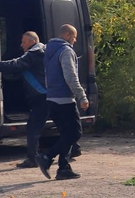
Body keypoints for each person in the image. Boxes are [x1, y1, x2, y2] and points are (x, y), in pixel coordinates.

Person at [0, 31, 47, 169]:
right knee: (61, 123)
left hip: (41, 96)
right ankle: (73, 149)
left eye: (24, 42)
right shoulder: (42, 51)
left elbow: (14, 65)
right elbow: (23, 72)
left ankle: (32, 159)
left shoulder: (33, 54)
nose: (21, 45)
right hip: (47, 94)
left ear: (32, 42)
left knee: (33, 128)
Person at [35, 25, 89, 181]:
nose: (75, 40)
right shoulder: (66, 51)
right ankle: (47, 157)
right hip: (65, 100)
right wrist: (82, 96)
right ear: (67, 35)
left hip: (52, 99)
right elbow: (70, 76)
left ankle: (63, 168)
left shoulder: (49, 51)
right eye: (74, 36)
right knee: (75, 133)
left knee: (66, 135)